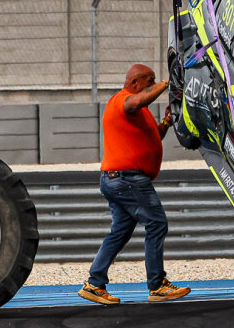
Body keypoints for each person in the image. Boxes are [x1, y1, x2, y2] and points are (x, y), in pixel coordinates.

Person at [79, 63, 192, 305]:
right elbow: (137, 101)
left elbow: (152, 138)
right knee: (157, 223)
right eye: (149, 82)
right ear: (134, 83)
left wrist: (165, 123)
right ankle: (157, 285)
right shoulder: (123, 101)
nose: (153, 86)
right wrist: (167, 83)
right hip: (126, 179)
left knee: (120, 232)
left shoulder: (139, 111)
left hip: (118, 179)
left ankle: (94, 283)